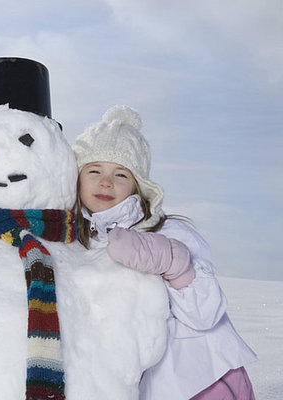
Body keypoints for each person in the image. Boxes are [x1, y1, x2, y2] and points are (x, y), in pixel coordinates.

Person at [72, 105, 257, 399]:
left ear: (137, 187)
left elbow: (206, 315)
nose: (106, 181)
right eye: (94, 170)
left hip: (204, 383)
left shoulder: (169, 232)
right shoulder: (74, 245)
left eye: (121, 174)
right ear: (77, 178)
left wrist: (175, 263)